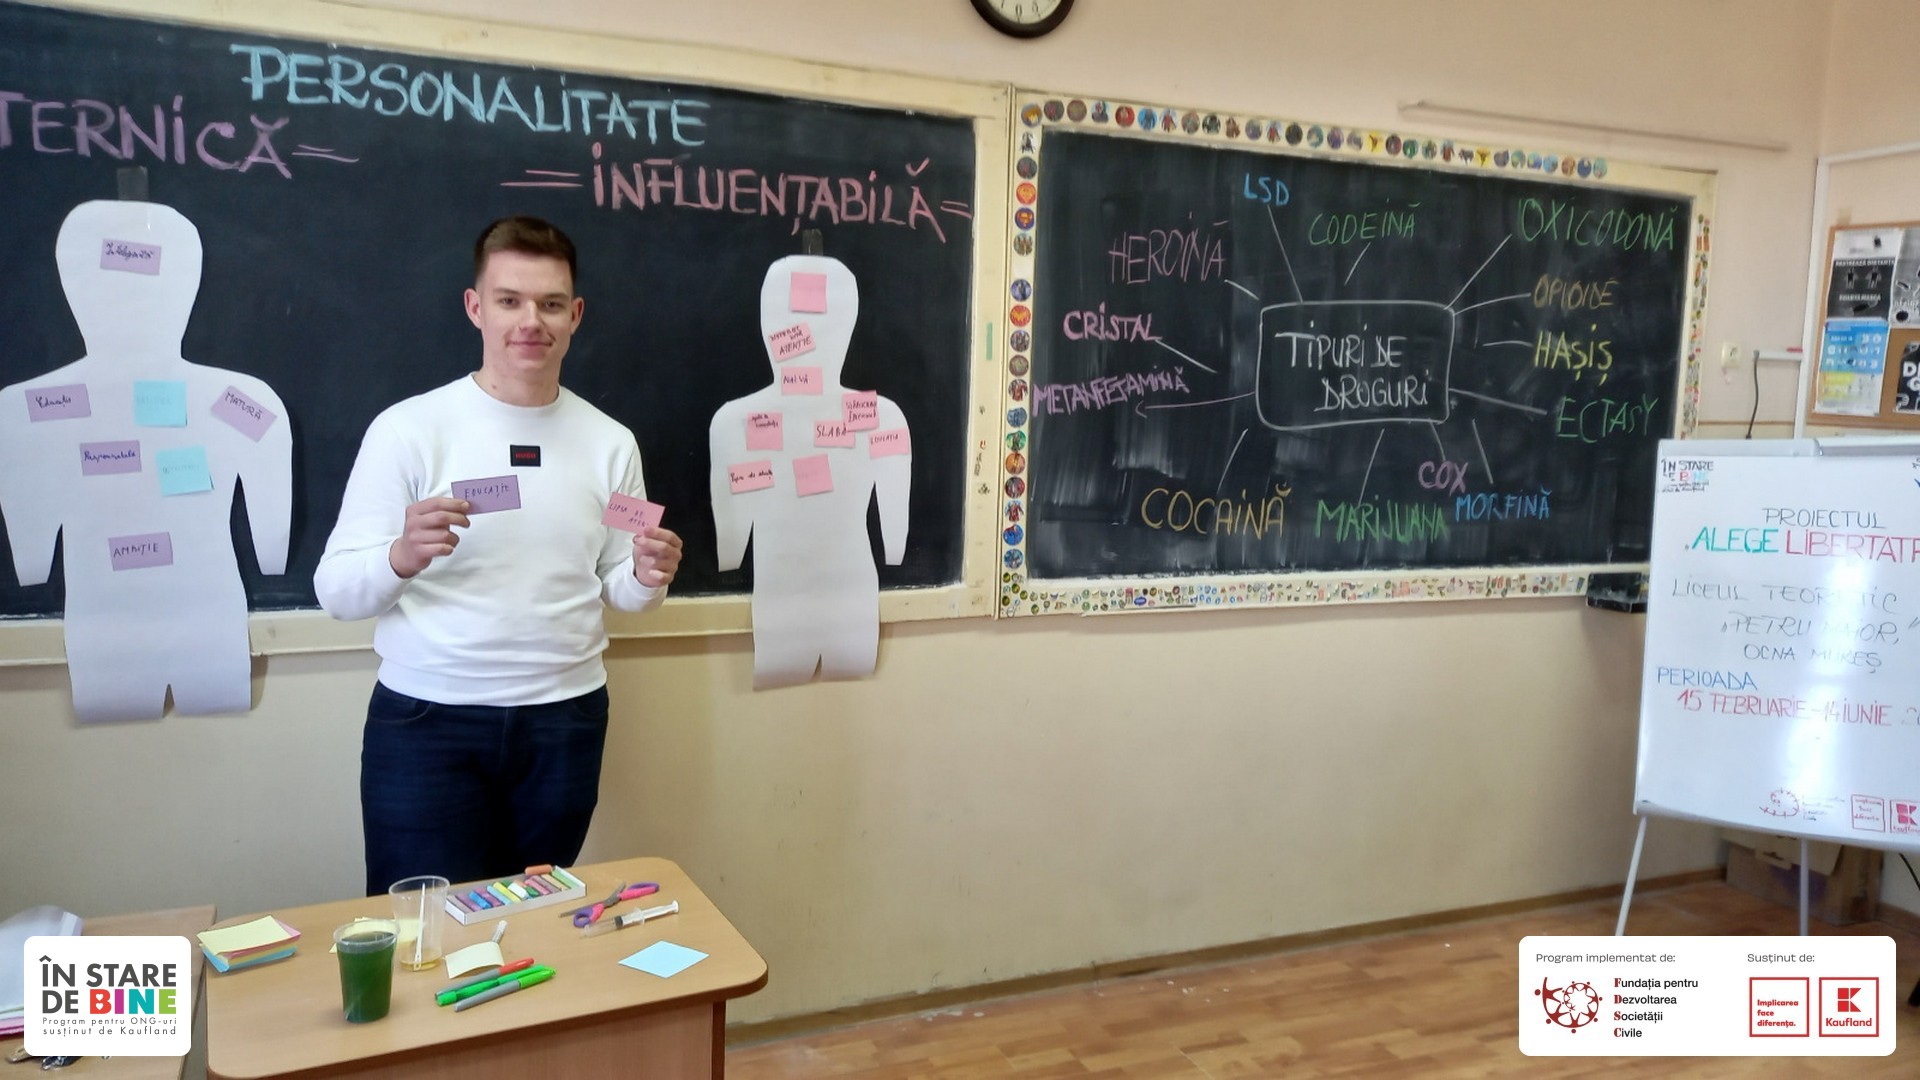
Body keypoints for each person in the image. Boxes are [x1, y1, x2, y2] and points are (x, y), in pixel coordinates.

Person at [315, 215, 682, 895]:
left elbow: (620, 585)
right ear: (475, 307)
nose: (530, 322)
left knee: (534, 920)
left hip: (565, 719)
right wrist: (400, 555)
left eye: (550, 304)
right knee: (420, 922)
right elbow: (336, 590)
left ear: (575, 316)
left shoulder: (611, 443)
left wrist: (646, 576)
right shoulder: (408, 431)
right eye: (510, 300)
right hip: (429, 720)